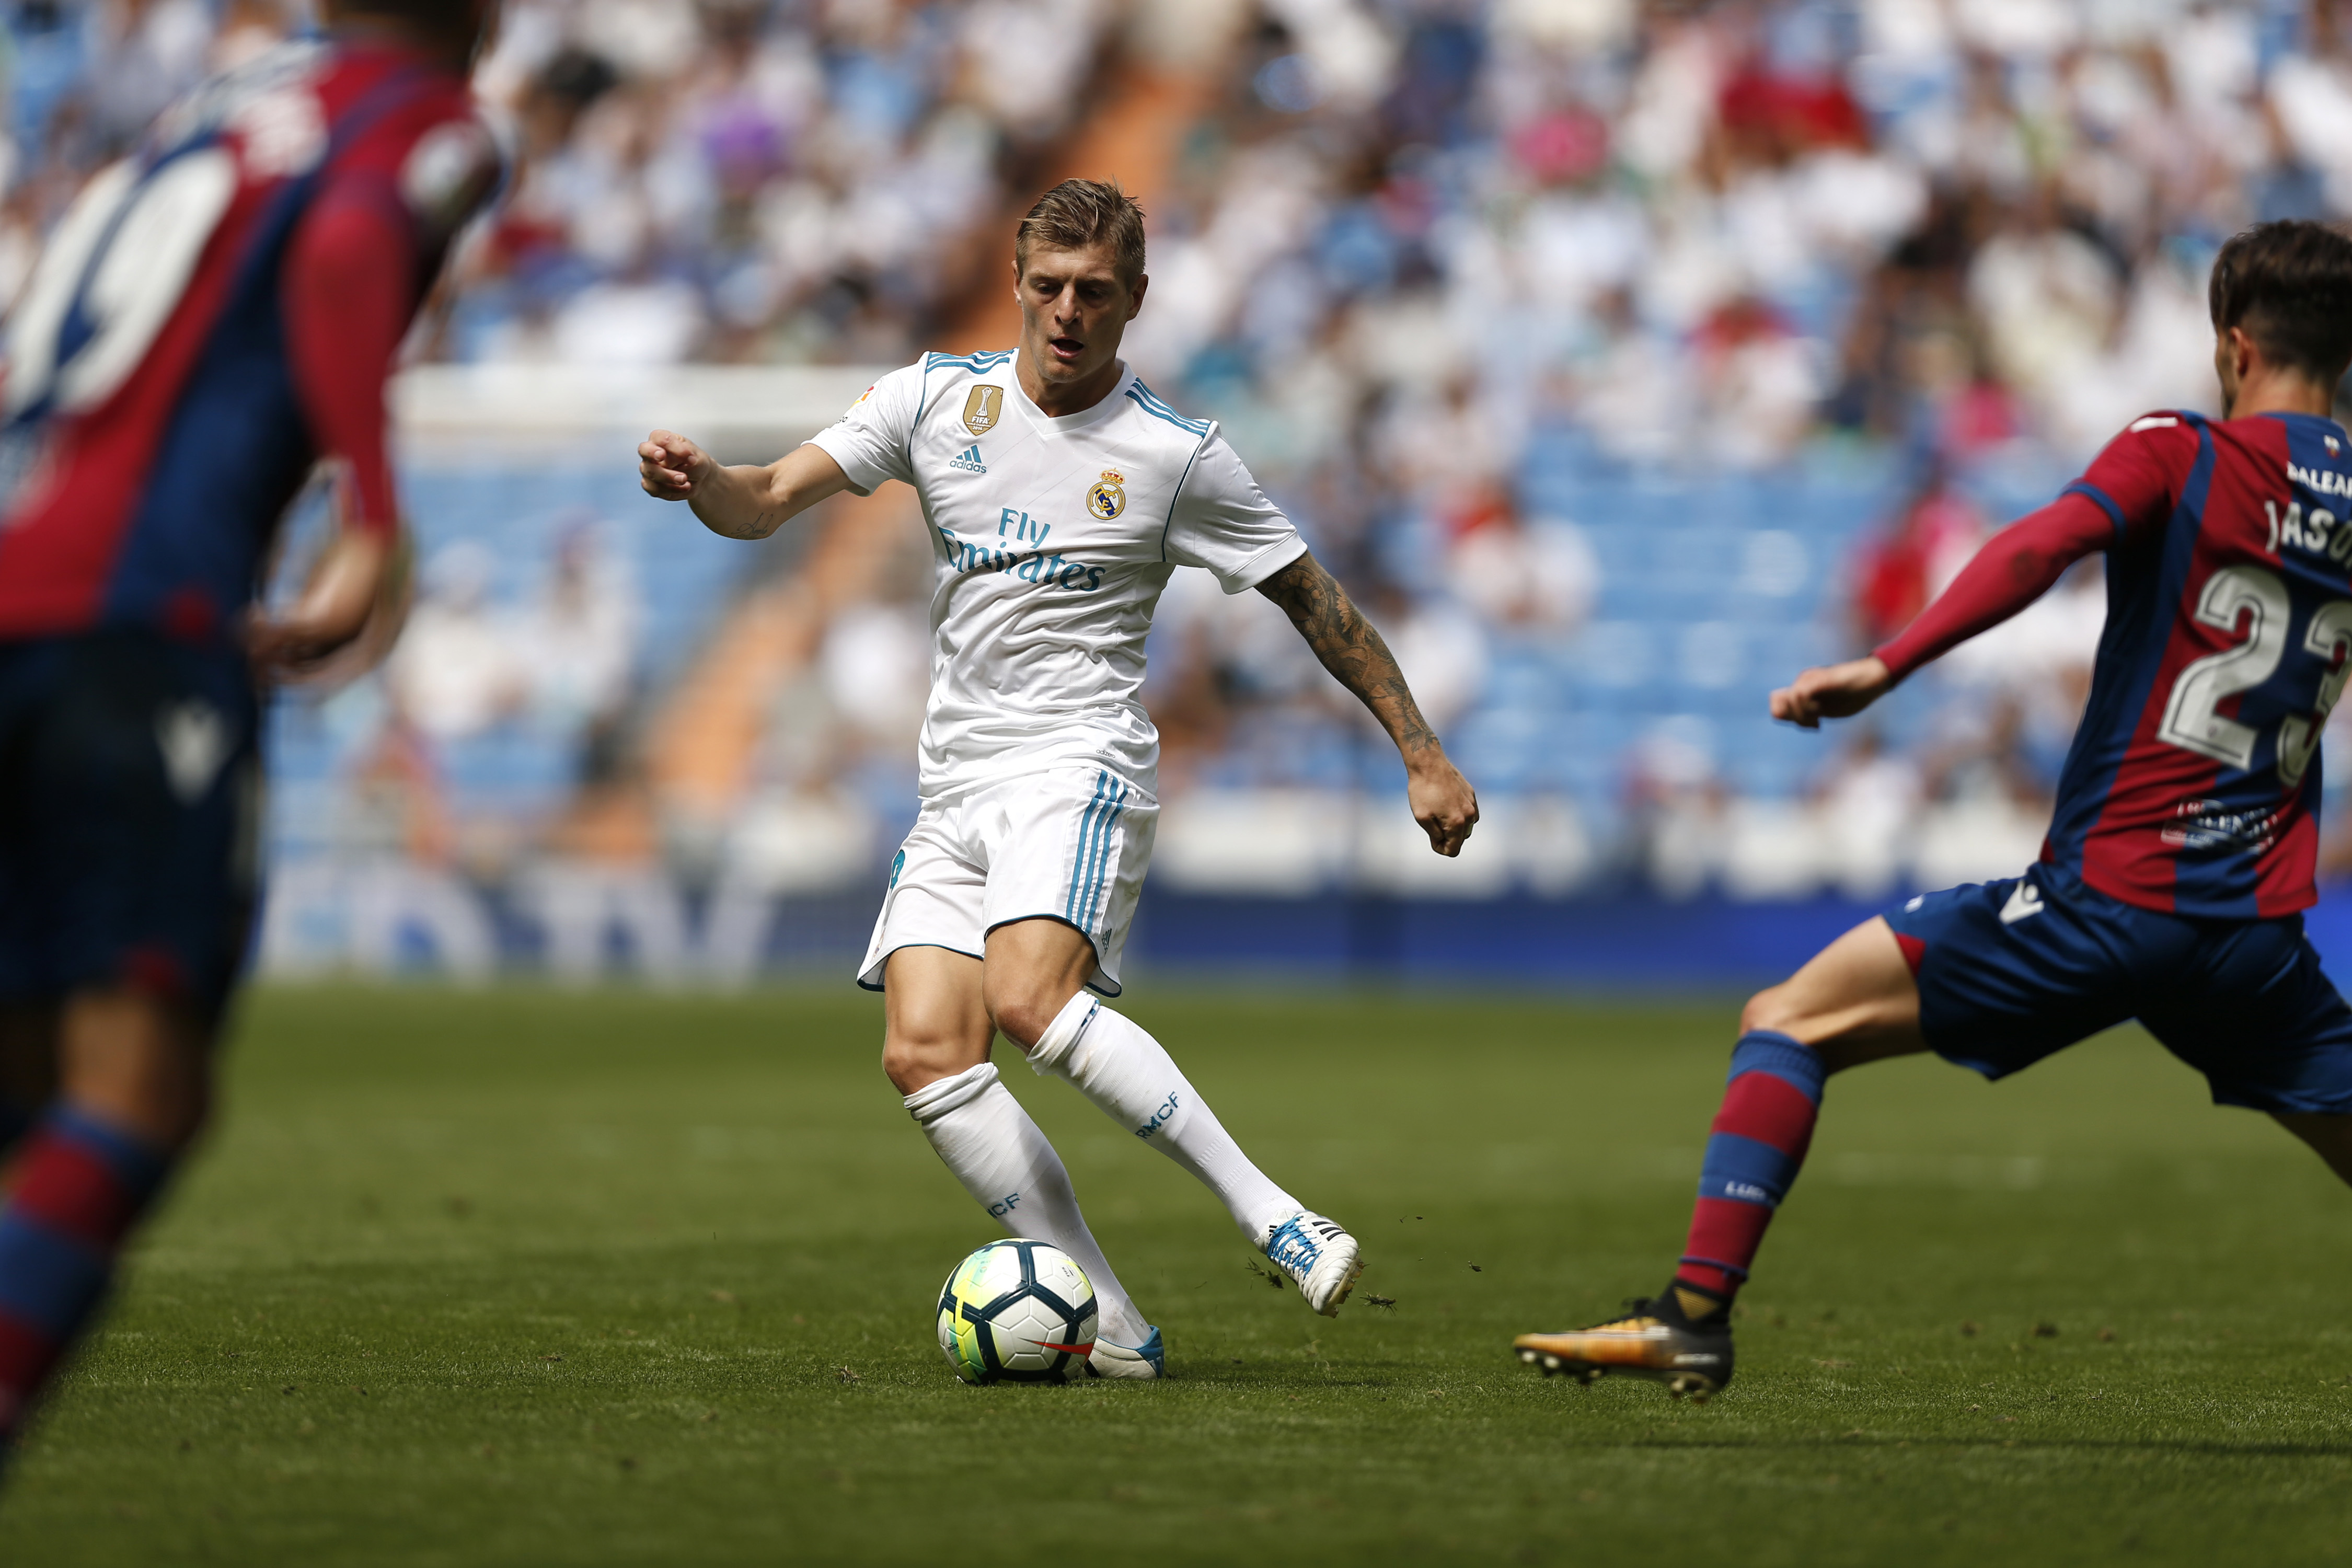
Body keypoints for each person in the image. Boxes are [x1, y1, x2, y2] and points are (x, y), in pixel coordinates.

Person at [640, 179, 1479, 1379]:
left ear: (1136, 299)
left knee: (1030, 1000)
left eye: (1096, 292)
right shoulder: (934, 401)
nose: (1068, 312)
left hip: (1078, 762)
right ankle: (1123, 1336)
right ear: (1018, 283)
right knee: (926, 1052)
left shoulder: (1176, 458)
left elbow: (1318, 603)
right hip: (957, 786)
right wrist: (701, 479)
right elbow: (765, 499)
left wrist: (1422, 752)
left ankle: (1279, 1218)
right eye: (1048, 287)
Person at [1513, 219, 2352, 1402]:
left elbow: (2040, 545)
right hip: (2251, 934)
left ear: (2233, 346)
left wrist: (1890, 664)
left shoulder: (2183, 448)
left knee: (1790, 1020)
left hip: (2113, 899)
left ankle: (1694, 1317)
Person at [0, 0, 501, 1454]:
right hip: (131, 620)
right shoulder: (422, 113)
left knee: (29, 1076)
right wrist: (378, 520)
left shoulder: (207, 111)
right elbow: (351, 247)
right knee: (135, 1086)